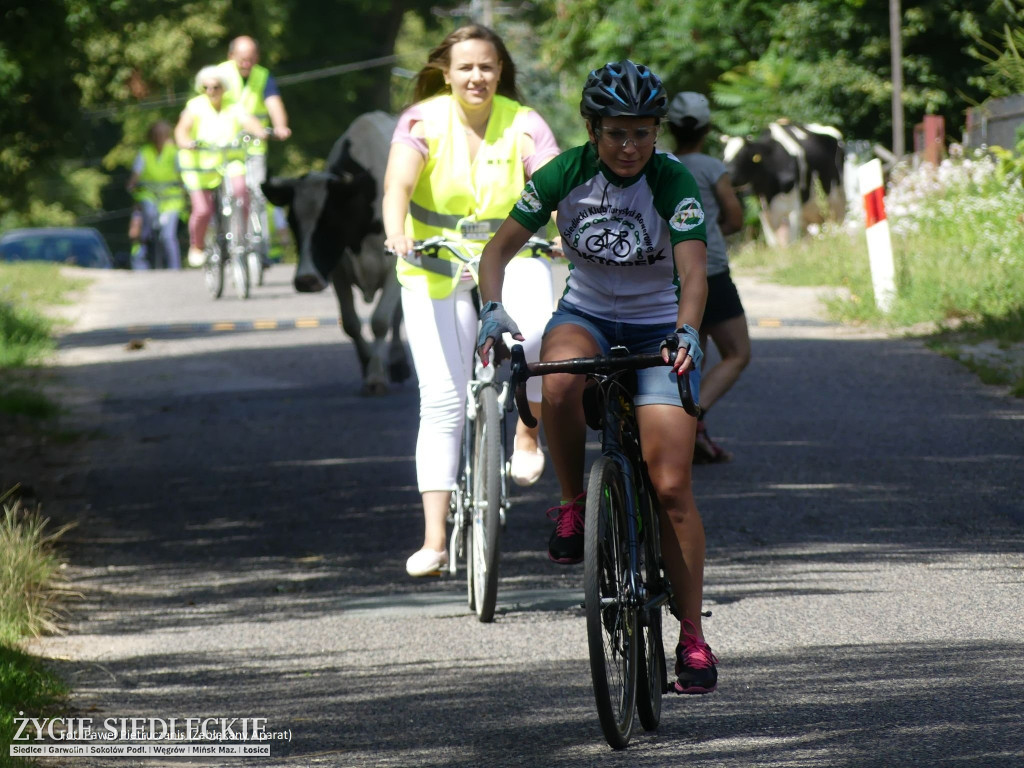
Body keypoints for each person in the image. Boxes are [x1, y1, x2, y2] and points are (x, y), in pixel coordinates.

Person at [477, 61, 717, 693]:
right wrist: (490, 309)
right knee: (554, 377)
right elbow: (497, 250)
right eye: (616, 133)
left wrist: (688, 330)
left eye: (643, 132)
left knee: (670, 487)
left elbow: (694, 273)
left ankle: (691, 636)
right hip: (584, 312)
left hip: (657, 323)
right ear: (592, 130)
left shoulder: (672, 179)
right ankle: (572, 504)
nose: (630, 146)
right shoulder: (564, 173)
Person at [381, 24, 561, 578]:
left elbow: (554, 187)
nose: (476, 76)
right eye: (465, 68)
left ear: (500, 69)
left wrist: (567, 228)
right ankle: (435, 540)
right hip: (433, 270)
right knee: (442, 400)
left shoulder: (524, 123)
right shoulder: (421, 121)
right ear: (446, 72)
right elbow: (398, 190)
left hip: (514, 260)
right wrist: (397, 231)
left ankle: (527, 434)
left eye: (486, 66)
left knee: (535, 336)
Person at [666, 92, 749, 463]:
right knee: (736, 353)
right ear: (707, 127)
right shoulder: (712, 168)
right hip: (710, 268)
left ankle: (686, 432)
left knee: (688, 356)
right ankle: (693, 417)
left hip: (671, 272)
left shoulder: (663, 165)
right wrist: (711, 230)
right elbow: (735, 217)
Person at [174, 66, 267, 268]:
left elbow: (248, 121)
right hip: (200, 166)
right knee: (202, 210)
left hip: (228, 160)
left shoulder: (233, 105)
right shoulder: (195, 106)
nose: (211, 91)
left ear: (223, 88)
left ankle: (240, 235)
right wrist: (186, 142)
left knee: (242, 192)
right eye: (206, 87)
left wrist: (259, 132)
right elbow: (182, 129)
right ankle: (197, 245)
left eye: (215, 87)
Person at [220, 36, 290, 266]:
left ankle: (261, 247)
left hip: (254, 145)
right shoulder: (219, 75)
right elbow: (234, 111)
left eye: (250, 59)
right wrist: (257, 128)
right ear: (231, 57)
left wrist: (280, 125)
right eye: (242, 59)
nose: (246, 64)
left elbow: (273, 102)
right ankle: (232, 243)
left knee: (258, 194)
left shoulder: (262, 76)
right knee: (235, 194)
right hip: (228, 146)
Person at [126, 120, 185, 270]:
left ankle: (174, 268)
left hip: (171, 198)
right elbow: (136, 174)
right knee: (148, 216)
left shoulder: (173, 152)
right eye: (155, 135)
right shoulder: (145, 152)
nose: (159, 138)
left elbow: (181, 174)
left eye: (161, 135)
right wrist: (132, 185)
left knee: (168, 236)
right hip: (149, 195)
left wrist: (184, 187)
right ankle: (141, 260)